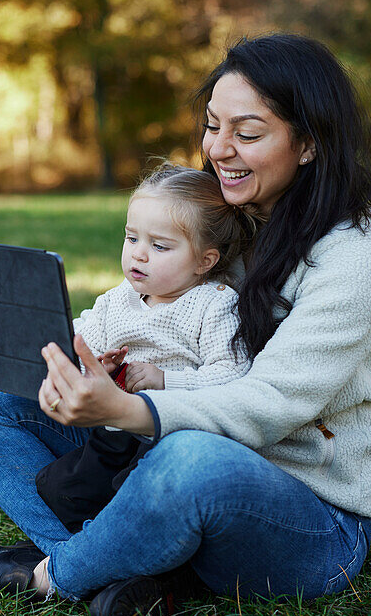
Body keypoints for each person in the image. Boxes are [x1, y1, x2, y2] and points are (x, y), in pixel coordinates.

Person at [0, 32, 371, 616]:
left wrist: (130, 407)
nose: (219, 149)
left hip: (306, 519)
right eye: (213, 126)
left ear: (309, 145)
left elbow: (273, 404)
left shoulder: (355, 258)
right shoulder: (220, 226)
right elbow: (126, 319)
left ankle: (45, 578)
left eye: (247, 134)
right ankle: (133, 568)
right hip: (158, 456)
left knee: (190, 460)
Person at [35, 163, 257, 534]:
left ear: (206, 260)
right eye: (131, 238)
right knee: (62, 489)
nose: (139, 254)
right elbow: (80, 336)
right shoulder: (120, 299)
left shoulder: (213, 304)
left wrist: (166, 380)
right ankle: (82, 545)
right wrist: (93, 365)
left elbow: (233, 373)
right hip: (115, 434)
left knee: (137, 498)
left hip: (172, 437)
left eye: (159, 245)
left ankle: (117, 552)